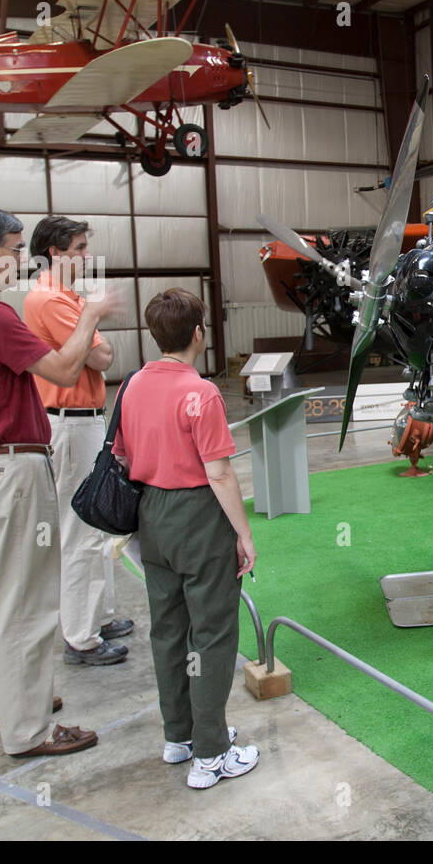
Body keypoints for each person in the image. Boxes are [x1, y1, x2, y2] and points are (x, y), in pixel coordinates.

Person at [0, 206, 121, 757]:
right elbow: (65, 370)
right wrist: (92, 314)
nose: (21, 258)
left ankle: (5, 701)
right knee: (26, 603)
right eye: (15, 249)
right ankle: (28, 729)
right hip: (11, 467)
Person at [112, 288, 259, 788]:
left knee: (168, 630)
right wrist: (244, 534)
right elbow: (219, 474)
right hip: (198, 516)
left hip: (151, 516)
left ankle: (180, 735)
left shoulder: (130, 386)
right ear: (198, 332)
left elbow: (124, 455)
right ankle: (213, 752)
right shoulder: (202, 393)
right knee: (213, 632)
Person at [23, 216, 131, 667]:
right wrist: (94, 328)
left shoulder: (70, 299)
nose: (87, 256)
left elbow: (101, 355)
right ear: (56, 252)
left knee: (97, 521)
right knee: (82, 528)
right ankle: (81, 637)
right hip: (69, 423)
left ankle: (99, 616)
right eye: (80, 248)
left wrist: (92, 327)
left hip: (83, 419)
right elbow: (101, 355)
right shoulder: (51, 299)